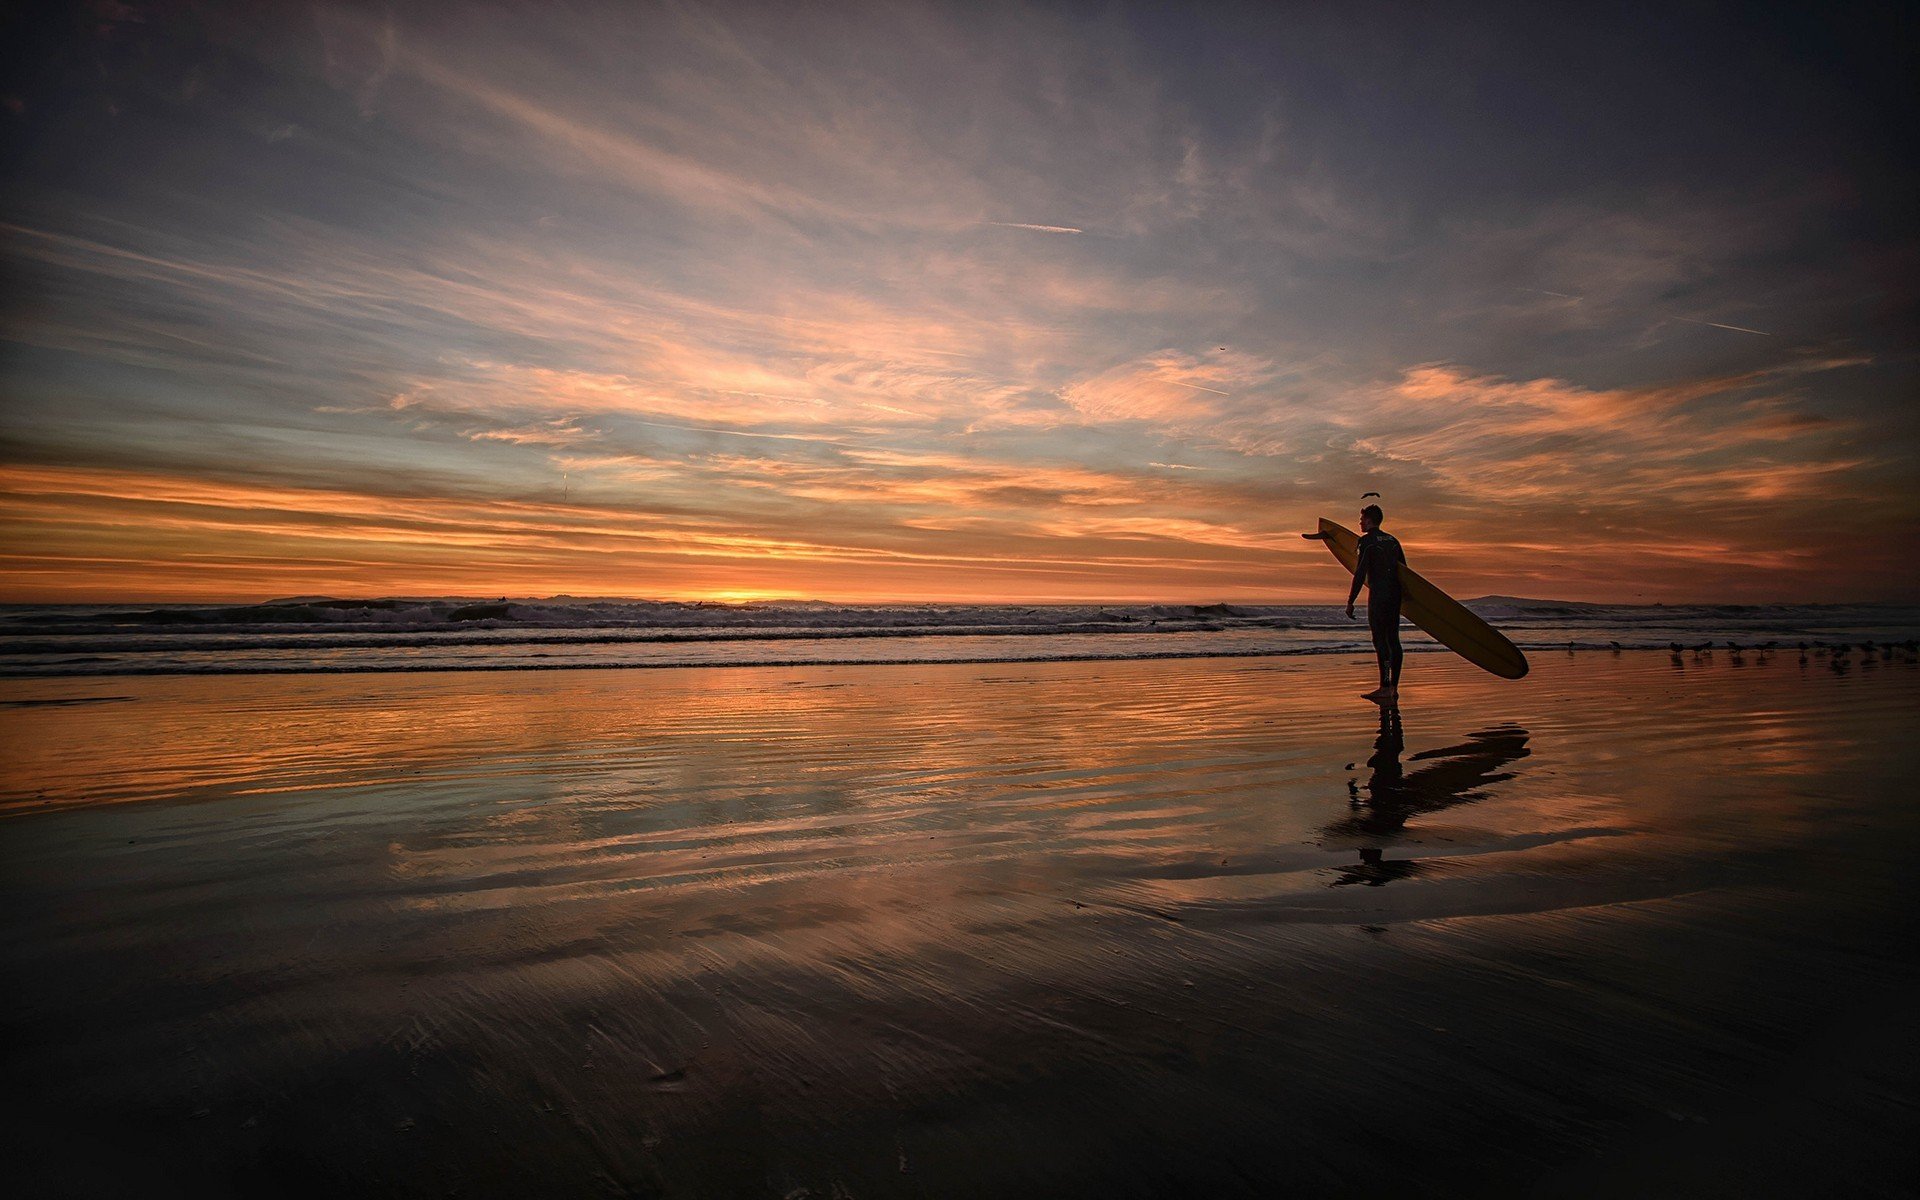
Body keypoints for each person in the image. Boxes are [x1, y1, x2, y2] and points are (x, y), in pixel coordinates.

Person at [1345, 502, 1405, 702]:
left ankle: (1384, 687)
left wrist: (1351, 600)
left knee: (1380, 642)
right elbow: (1404, 572)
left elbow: (1360, 572)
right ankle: (1393, 687)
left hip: (1379, 597)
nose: (1359, 522)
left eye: (1361, 519)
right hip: (1394, 596)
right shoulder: (1393, 541)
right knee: (1394, 641)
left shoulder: (1367, 542)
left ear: (1369, 520)